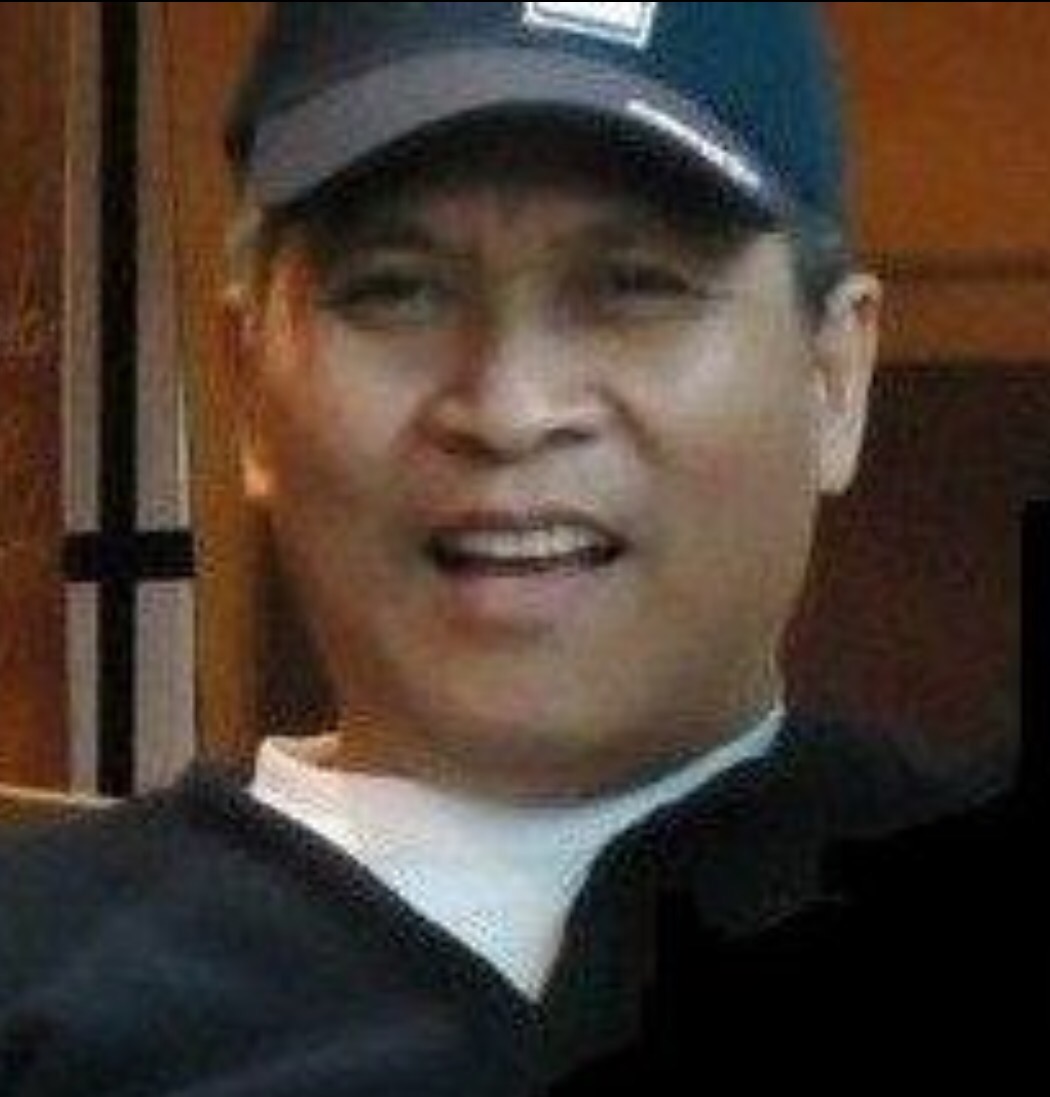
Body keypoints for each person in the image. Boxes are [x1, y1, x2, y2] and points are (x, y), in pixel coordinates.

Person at [0, 4, 1031, 1094]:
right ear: (249, 387)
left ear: (832, 378)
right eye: (395, 288)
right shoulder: (41, 966)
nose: (509, 408)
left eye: (635, 284)